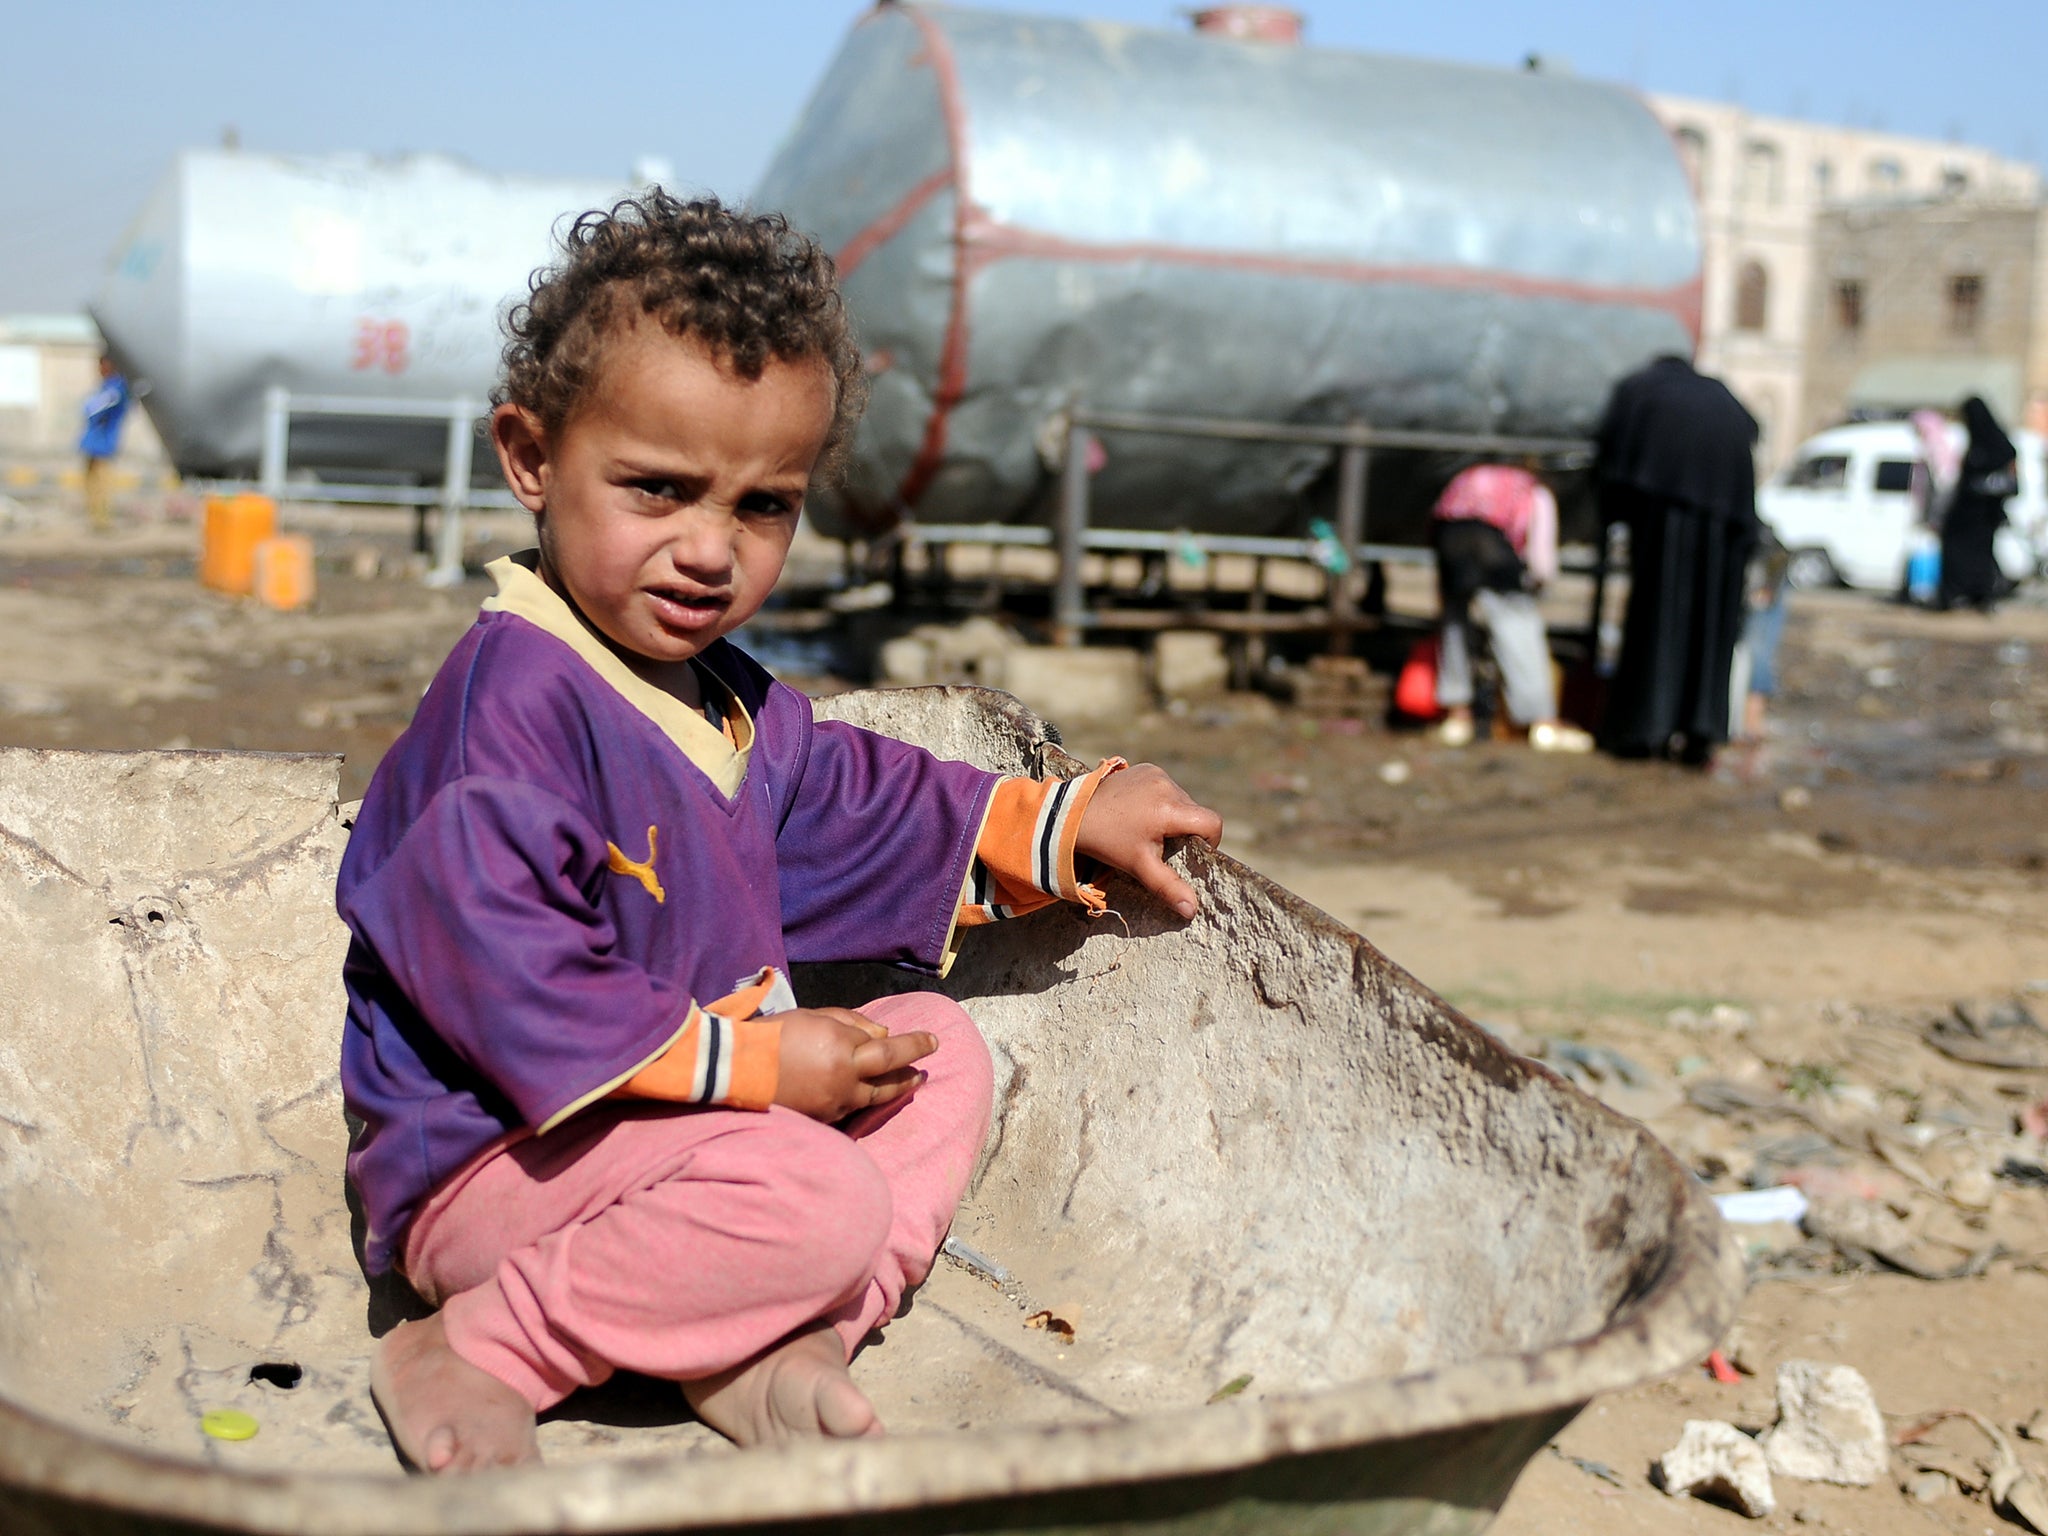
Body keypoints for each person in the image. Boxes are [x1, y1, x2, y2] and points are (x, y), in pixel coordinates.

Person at [338, 192, 1223, 1475]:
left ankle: (789, 1342)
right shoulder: (508, 713)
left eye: (763, 507)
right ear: (530, 456)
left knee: (937, 1047)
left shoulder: (728, 700)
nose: (709, 550)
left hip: (684, 1132)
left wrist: (1057, 818)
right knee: (810, 1195)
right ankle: (484, 1347)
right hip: (500, 1162)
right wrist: (760, 1074)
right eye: (657, 490)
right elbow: (509, 973)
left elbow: (861, 805)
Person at [1592, 355, 1761, 764]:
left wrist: (1609, 518)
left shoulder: (1640, 390)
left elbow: (1610, 461)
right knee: (1712, 629)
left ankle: (1646, 727)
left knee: (1658, 620)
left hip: (1666, 513)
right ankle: (1701, 730)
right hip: (1729, 523)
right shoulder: (1720, 395)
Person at [1428, 461, 1591, 752]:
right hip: (1492, 553)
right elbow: (1541, 559)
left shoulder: (1469, 475)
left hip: (1450, 548)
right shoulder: (1535, 491)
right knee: (1518, 628)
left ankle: (1457, 716)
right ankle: (1543, 723)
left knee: (1455, 628)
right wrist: (1536, 585)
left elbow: (1440, 513)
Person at [1938, 396, 2018, 612]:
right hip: (1967, 516)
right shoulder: (1980, 443)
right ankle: (1958, 595)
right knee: (1958, 552)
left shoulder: (1994, 445)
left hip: (1982, 516)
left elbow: (2007, 476)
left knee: (1977, 556)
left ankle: (1979, 595)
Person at [78, 355, 132, 532]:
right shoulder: (105, 387)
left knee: (102, 484)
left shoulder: (116, 388)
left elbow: (91, 408)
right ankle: (95, 519)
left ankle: (103, 521)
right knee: (90, 483)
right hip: (93, 442)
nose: (99, 370)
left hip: (104, 444)